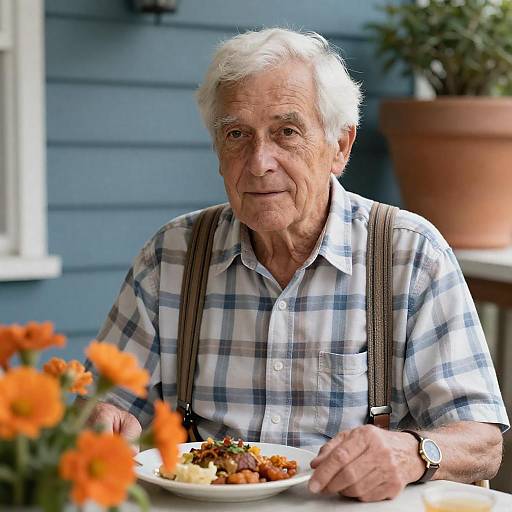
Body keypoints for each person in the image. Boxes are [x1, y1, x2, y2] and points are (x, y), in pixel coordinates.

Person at [85, 28, 509, 502]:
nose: (259, 161)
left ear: (340, 147)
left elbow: (482, 441)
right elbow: (106, 408)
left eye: (286, 132)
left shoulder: (410, 254)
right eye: (237, 135)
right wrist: (102, 420)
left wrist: (413, 452)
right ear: (217, 151)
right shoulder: (172, 256)